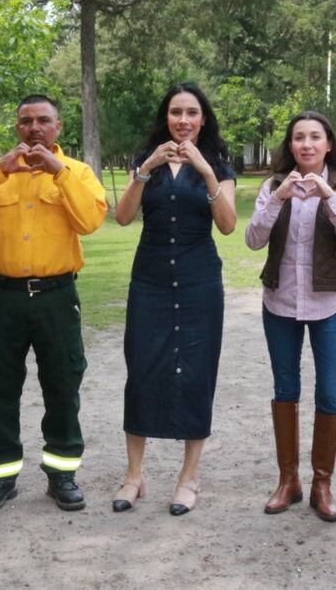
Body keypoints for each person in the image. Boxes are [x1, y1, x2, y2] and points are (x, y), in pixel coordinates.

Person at [0, 94, 107, 513]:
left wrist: (59, 173)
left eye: (42, 120)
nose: (34, 128)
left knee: (62, 386)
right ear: (17, 127)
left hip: (56, 297)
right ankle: (0, 476)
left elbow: (90, 221)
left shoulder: (77, 172)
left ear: (57, 126)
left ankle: (62, 474)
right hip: (3, 298)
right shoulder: (0, 171)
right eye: (25, 121)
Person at [111, 82, 236, 516]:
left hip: (200, 281)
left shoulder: (218, 164)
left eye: (191, 113)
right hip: (150, 282)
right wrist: (146, 169)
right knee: (142, 369)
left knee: (197, 372)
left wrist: (206, 172)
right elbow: (123, 217)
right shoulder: (146, 160)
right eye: (175, 112)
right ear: (165, 117)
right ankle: (134, 476)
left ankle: (189, 477)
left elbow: (228, 225)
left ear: (203, 119)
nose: (183, 120)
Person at [245, 111, 336, 522]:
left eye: (315, 137)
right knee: (285, 389)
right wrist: (278, 199)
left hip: (329, 304)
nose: (307, 144)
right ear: (290, 145)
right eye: (299, 137)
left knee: (329, 393)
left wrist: (329, 198)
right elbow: (252, 239)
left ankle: (322, 484)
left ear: (328, 145)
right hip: (279, 302)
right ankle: (288, 480)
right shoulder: (273, 186)